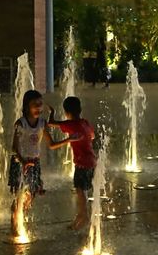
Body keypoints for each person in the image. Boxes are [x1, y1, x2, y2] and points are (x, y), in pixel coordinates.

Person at [9, 90, 78, 236]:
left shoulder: (42, 123)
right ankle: (15, 226)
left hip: (34, 163)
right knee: (20, 194)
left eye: (40, 105)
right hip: (20, 163)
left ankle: (21, 216)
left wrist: (68, 140)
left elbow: (51, 144)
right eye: (35, 105)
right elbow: (14, 148)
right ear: (27, 106)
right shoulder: (20, 123)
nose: (39, 108)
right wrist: (22, 162)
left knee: (31, 194)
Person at [48, 97, 97, 230]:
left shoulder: (71, 124)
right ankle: (79, 217)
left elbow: (51, 123)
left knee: (80, 190)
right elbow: (92, 136)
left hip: (82, 163)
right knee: (84, 190)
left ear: (66, 112)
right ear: (80, 109)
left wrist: (52, 111)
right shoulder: (84, 122)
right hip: (92, 161)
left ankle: (84, 216)